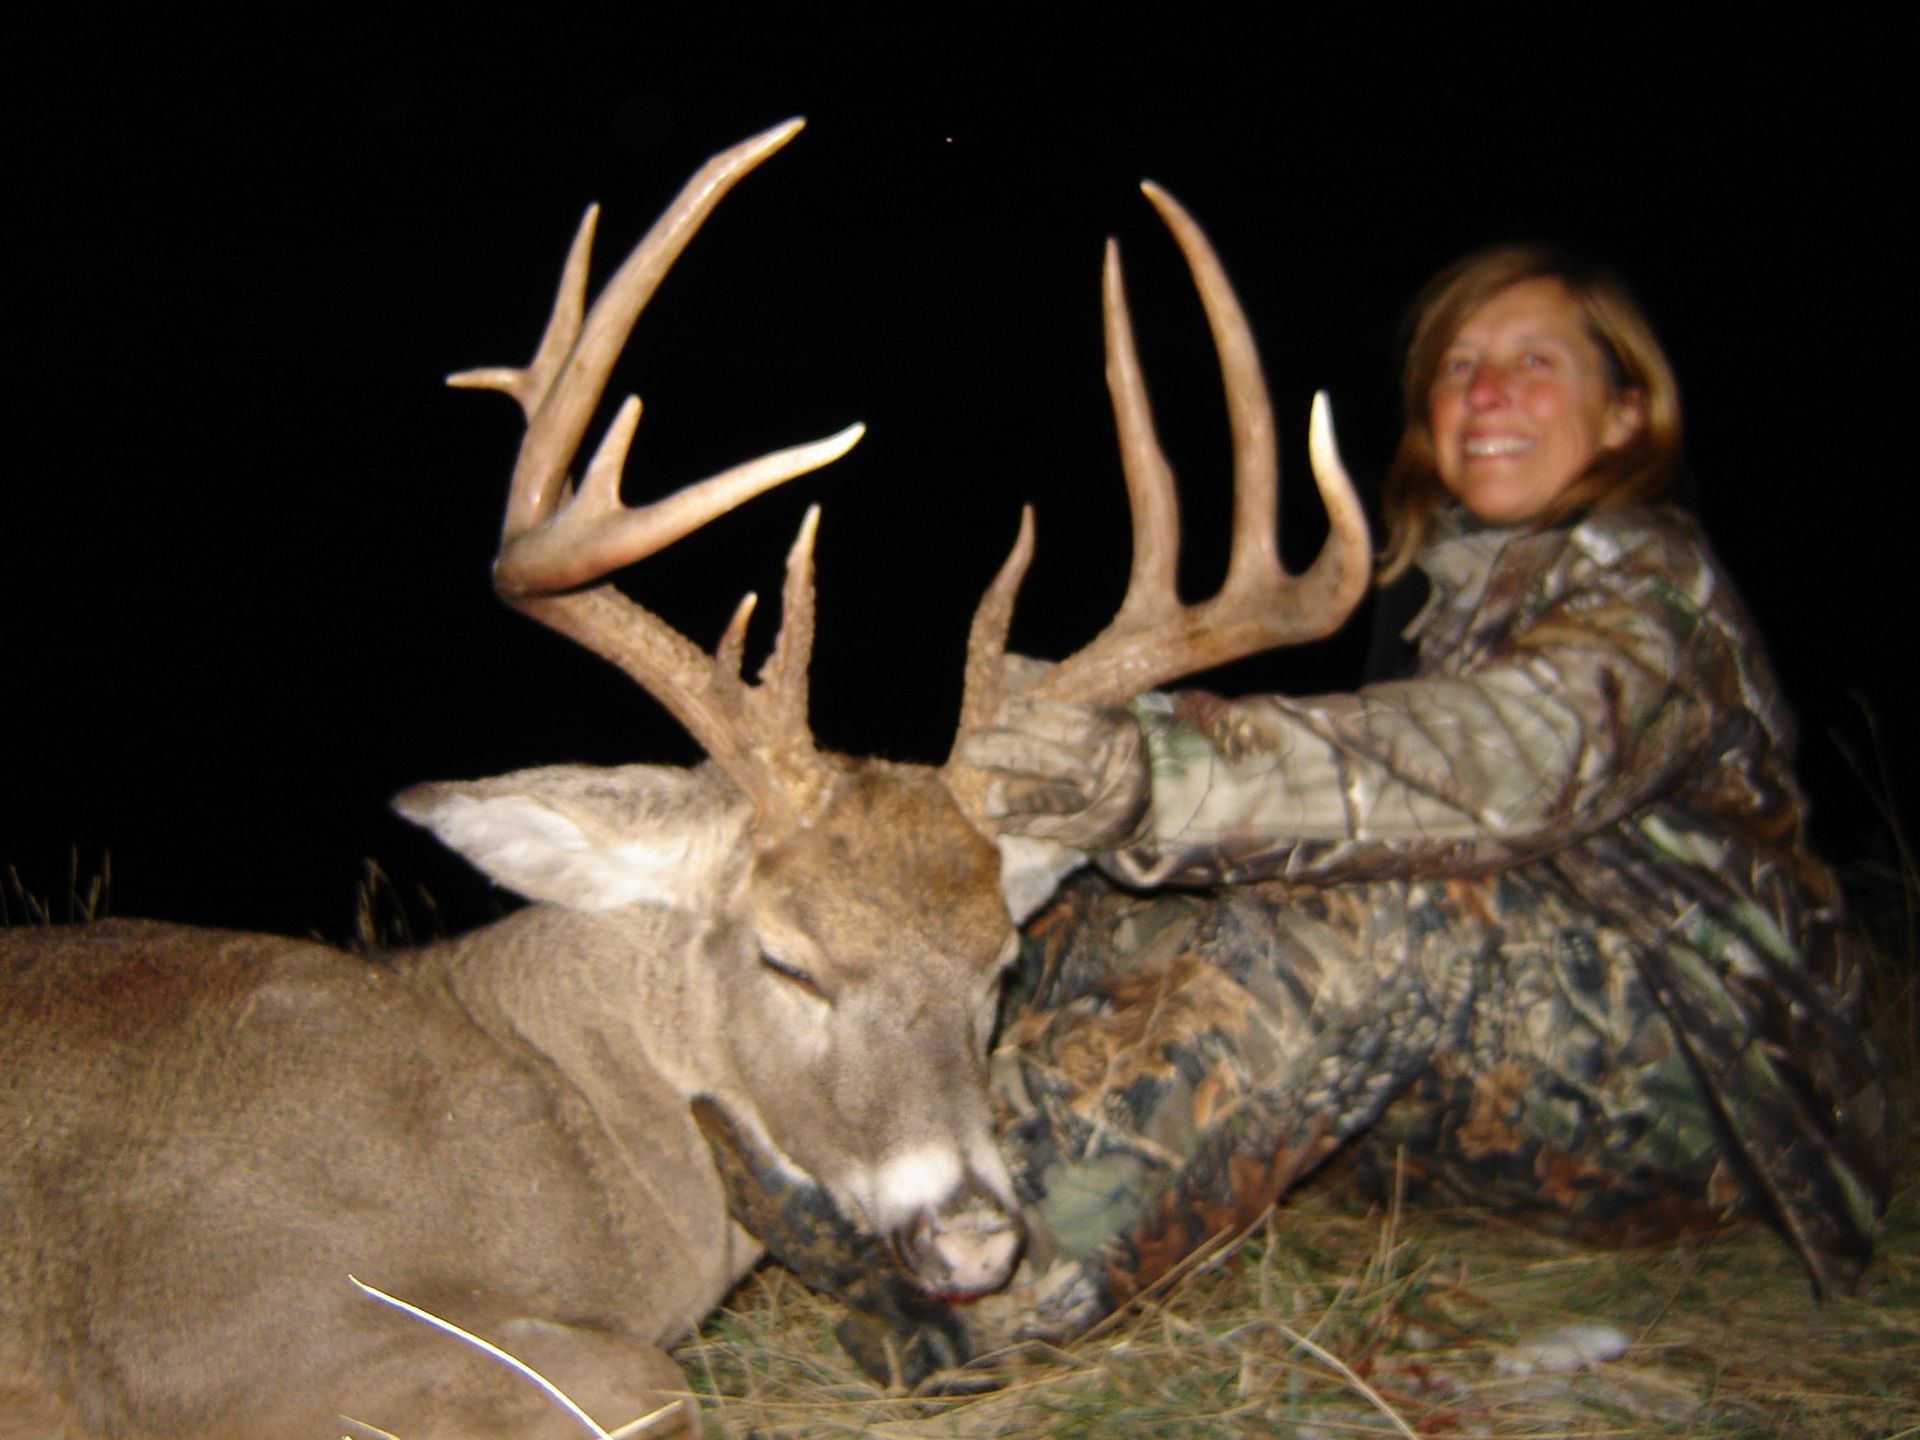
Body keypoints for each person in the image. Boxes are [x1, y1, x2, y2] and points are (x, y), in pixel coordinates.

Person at [703, 245, 1887, 1384]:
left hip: (1722, 1118)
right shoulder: (1459, 604)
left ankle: (976, 1293)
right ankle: (913, 1158)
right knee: (1067, 921)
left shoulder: (1656, 597)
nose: (1485, 391)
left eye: (1536, 361)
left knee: (1395, 907)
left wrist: (1159, 770)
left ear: (1628, 411)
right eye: (1459, 365)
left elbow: (1494, 767)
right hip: (1531, 1081)